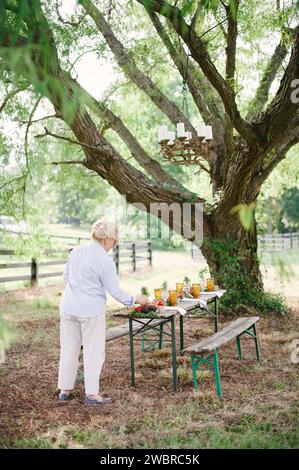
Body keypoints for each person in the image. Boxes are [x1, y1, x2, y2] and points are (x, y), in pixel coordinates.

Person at [57, 218, 148, 405]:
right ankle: (91, 395)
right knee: (94, 352)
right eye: (114, 241)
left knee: (69, 348)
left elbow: (66, 277)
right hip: (90, 311)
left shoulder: (76, 252)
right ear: (106, 238)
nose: (114, 245)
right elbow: (115, 292)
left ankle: (64, 391)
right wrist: (136, 299)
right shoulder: (104, 260)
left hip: (68, 307)